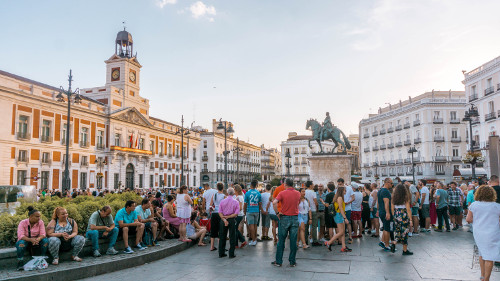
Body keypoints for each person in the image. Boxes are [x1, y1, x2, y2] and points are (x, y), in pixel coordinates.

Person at [466, 185, 500, 281]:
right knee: (490, 256)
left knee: (482, 253)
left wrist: (478, 220)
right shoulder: (497, 206)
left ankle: (482, 276)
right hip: (493, 233)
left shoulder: (474, 205)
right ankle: (486, 279)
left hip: (479, 233)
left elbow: (468, 219)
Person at [271, 178, 301, 267]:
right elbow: (297, 203)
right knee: (293, 240)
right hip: (295, 218)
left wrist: (277, 213)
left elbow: (274, 202)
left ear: (285, 184)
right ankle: (292, 261)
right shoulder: (298, 193)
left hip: (284, 217)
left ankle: (279, 261)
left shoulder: (282, 193)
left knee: (281, 240)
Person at [325, 185, 351, 252]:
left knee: (342, 232)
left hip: (340, 215)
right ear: (342, 191)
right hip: (339, 215)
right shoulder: (339, 198)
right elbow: (341, 208)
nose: (345, 191)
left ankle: (343, 247)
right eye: (345, 190)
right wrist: (345, 218)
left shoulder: (339, 197)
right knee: (341, 232)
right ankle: (329, 242)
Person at [391, 184, 413, 255]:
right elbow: (408, 209)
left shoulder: (393, 197)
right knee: (405, 232)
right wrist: (411, 220)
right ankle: (405, 250)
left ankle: (394, 242)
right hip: (403, 215)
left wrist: (393, 216)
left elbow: (392, 208)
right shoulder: (405, 197)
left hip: (396, 215)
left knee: (398, 231)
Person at [218, 187, 240, 258]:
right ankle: (231, 253)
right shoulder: (236, 202)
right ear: (233, 193)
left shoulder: (222, 201)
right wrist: (229, 217)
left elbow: (220, 212)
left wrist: (224, 219)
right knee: (232, 236)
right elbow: (236, 213)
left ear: (227, 193)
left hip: (223, 219)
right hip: (231, 219)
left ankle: (221, 252)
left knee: (222, 236)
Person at [244, 180, 262, 246]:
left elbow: (245, 203)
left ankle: (253, 240)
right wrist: (259, 209)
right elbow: (260, 203)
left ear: (251, 185)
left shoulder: (247, 193)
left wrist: (244, 211)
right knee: (255, 225)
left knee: (251, 226)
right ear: (256, 185)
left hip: (250, 210)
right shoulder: (258, 193)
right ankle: (255, 239)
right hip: (256, 210)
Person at [378, 178, 394, 252]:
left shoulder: (380, 190)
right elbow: (386, 202)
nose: (392, 184)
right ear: (387, 183)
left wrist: (378, 210)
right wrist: (388, 212)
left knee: (385, 227)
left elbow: (378, 202)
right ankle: (387, 245)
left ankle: (382, 241)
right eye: (391, 183)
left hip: (381, 211)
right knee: (387, 229)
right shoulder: (386, 191)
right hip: (385, 212)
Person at [209, 183, 226, 251]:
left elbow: (210, 205)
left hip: (214, 213)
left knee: (213, 230)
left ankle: (212, 246)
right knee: (220, 230)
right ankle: (220, 247)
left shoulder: (214, 195)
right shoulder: (224, 196)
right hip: (221, 214)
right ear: (223, 188)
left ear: (217, 188)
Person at [304, 181, 319, 246]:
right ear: (310, 185)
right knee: (314, 226)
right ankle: (315, 240)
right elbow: (315, 202)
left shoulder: (304, 192)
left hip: (306, 211)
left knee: (306, 226)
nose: (313, 185)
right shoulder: (313, 192)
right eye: (312, 184)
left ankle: (305, 241)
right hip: (313, 210)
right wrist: (317, 208)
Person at [340, 179, 354, 244]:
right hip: (340, 209)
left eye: (340, 184)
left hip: (347, 208)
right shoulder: (338, 189)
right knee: (341, 224)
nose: (339, 185)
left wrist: (348, 202)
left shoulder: (349, 188)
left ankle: (350, 237)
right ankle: (341, 238)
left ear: (343, 183)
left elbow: (353, 198)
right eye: (338, 184)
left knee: (348, 223)